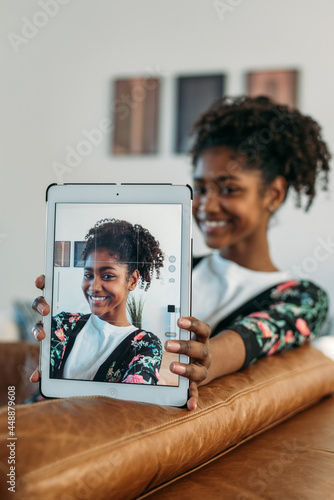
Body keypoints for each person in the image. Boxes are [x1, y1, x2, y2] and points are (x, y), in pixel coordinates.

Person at [32, 96, 330, 410]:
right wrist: (52, 327)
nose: (206, 205)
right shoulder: (175, 270)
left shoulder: (301, 298)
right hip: (50, 410)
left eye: (228, 189)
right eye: (200, 189)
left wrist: (204, 362)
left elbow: (251, 337)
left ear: (273, 193)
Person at [48, 218, 164, 385]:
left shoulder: (145, 345)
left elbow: (131, 406)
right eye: (88, 275)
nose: (93, 287)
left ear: (132, 280)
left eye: (108, 276)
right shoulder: (63, 324)